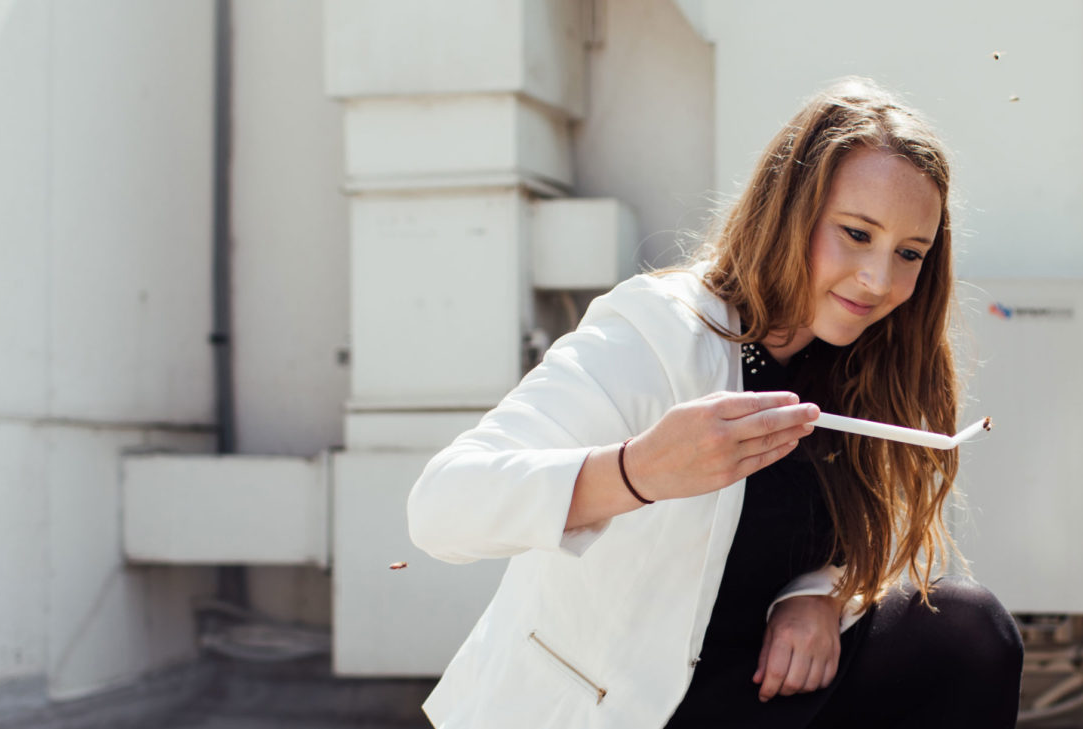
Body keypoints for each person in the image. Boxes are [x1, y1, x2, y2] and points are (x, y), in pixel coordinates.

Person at [407, 77, 1022, 729]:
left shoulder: (859, 364)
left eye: (909, 254)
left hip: (756, 693)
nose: (880, 280)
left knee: (966, 630)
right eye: (856, 233)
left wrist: (817, 596)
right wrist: (635, 471)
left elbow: (841, 546)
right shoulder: (656, 332)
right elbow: (441, 505)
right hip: (621, 711)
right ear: (791, 210)